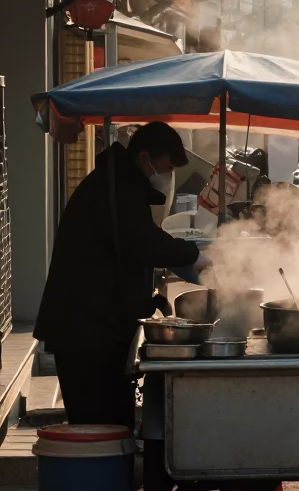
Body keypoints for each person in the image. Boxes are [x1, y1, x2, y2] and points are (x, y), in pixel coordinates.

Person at [35, 122, 212, 430]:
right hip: (85, 331)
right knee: (99, 427)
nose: (168, 177)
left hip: (95, 325)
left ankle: (112, 475)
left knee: (113, 423)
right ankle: (102, 478)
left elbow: (137, 243)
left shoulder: (119, 183)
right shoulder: (115, 189)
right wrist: (194, 257)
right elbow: (143, 242)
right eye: (167, 168)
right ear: (145, 157)